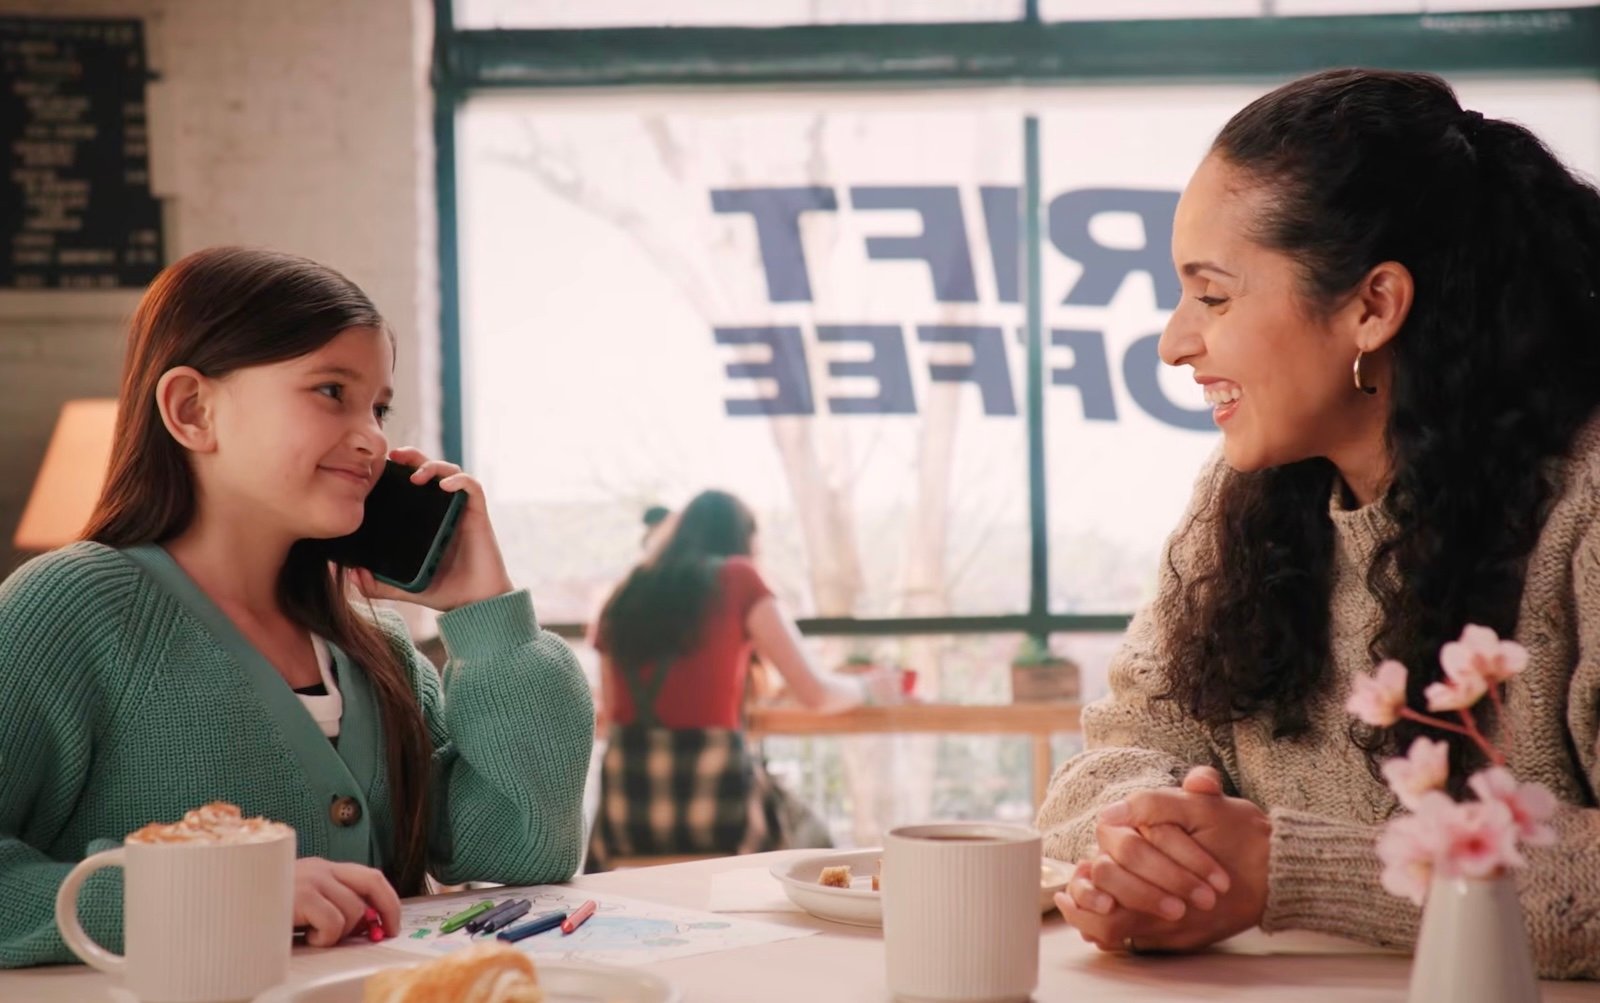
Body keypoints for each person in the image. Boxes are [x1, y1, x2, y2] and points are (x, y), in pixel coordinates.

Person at [1036, 68, 1600, 978]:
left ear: (1372, 307)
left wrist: (1284, 869)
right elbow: (1120, 749)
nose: (1174, 342)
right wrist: (1164, 849)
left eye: (1212, 296)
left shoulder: (1588, 508)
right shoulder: (1243, 497)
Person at [0, 247, 594, 967]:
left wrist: (488, 617)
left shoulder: (377, 646)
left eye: (379, 405)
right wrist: (219, 894)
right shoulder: (71, 608)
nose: (374, 436)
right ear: (193, 410)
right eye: (330, 391)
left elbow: (528, 845)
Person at [587, 489, 899, 868]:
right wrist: (869, 688)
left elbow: (611, 708)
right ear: (742, 539)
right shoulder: (737, 578)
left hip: (628, 814)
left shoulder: (626, 591)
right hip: (718, 812)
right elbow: (816, 693)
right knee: (816, 845)